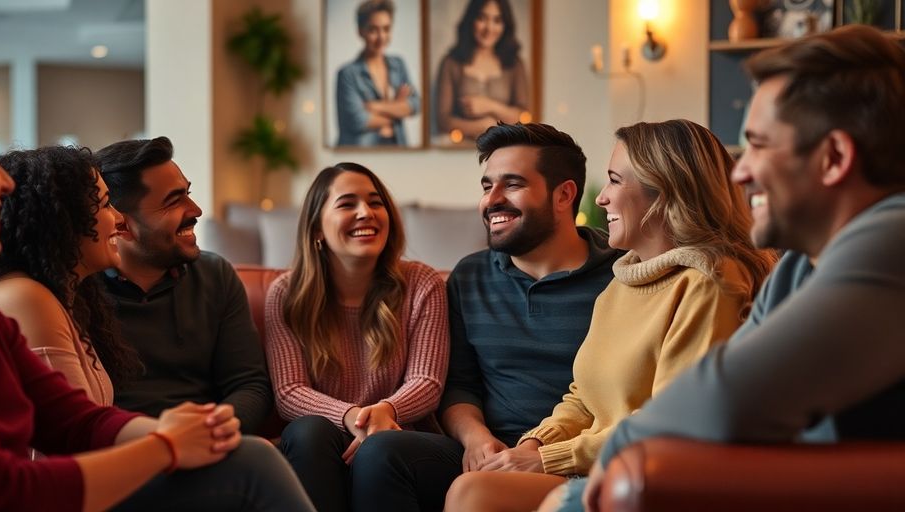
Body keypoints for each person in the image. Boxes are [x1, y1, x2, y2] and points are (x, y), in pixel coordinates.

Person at [0, 57, 313, 511]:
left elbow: (75, 421)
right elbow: (3, 490)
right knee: (250, 463)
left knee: (248, 456)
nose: (4, 182)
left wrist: (181, 431)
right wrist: (165, 447)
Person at [577, 24, 905, 512]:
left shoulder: (891, 240)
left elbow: (723, 397)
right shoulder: (799, 260)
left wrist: (617, 456)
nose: (739, 172)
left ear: (834, 157)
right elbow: (724, 376)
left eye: (758, 144)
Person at [442, 119, 777, 512]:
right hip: (597, 464)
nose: (600, 199)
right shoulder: (623, 280)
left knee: (473, 493)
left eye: (615, 181)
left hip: (653, 473)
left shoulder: (709, 283)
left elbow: (675, 421)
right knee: (472, 485)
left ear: (663, 192)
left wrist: (548, 459)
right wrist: (537, 441)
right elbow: (584, 396)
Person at [340, 122, 621, 512]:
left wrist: (543, 454)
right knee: (383, 451)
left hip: (580, 457)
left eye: (513, 184)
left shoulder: (622, 275)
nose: (493, 200)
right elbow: (459, 386)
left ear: (564, 195)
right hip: (490, 451)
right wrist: (475, 438)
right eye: (487, 186)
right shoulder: (469, 276)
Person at [262, 162, 449, 512]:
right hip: (325, 440)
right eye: (347, 204)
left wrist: (386, 411)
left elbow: (427, 382)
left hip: (404, 442)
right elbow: (289, 393)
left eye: (375, 203)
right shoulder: (286, 294)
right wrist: (354, 417)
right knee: (307, 433)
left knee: (380, 447)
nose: (366, 213)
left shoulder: (423, 283)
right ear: (317, 227)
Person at [95, 137, 274, 434]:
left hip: (208, 445)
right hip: (120, 452)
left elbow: (250, 385)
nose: (196, 210)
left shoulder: (216, 275)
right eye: (173, 201)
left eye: (187, 194)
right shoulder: (80, 290)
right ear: (122, 225)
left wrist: (210, 431)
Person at [0, 146, 142, 406]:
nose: (119, 218)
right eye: (104, 204)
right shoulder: (24, 297)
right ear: (62, 218)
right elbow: (72, 435)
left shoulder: (61, 295)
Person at [435, 0, 530, 143]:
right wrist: (481, 126)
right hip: (459, 152)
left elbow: (524, 117)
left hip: (504, 149)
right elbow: (443, 120)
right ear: (471, 20)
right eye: (482, 18)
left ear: (505, 25)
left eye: (497, 20)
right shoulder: (451, 63)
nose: (489, 28)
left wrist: (489, 106)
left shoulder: (514, 64)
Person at [336, 0, 420, 147]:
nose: (381, 37)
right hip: (361, 155)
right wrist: (397, 107)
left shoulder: (398, 65)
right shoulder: (347, 74)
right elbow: (358, 120)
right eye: (373, 30)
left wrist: (374, 106)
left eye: (386, 29)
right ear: (360, 31)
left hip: (398, 148)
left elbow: (415, 105)